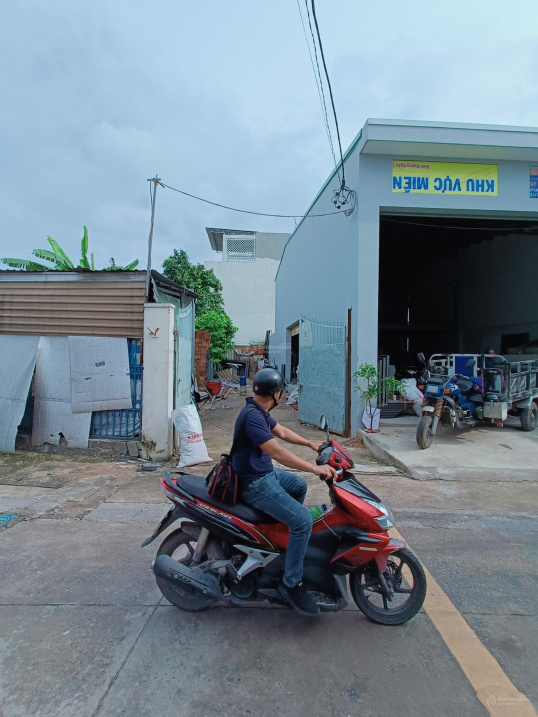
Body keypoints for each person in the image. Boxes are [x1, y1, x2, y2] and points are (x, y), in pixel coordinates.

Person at [231, 368, 337, 616]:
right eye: (281, 392)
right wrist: (315, 468)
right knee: (302, 521)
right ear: (276, 394)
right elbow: (277, 452)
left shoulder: (258, 410)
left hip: (264, 474)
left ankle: (281, 541)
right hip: (255, 483)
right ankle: (291, 584)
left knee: (299, 486)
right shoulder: (253, 417)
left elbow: (282, 431)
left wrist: (310, 443)